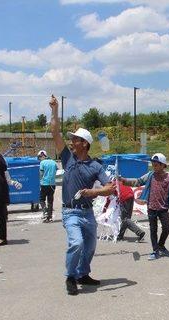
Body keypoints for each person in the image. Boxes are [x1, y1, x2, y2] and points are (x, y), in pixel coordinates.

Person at [49, 95, 116, 295]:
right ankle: (71, 277)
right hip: (71, 212)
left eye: (75, 139)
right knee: (77, 243)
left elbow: (110, 187)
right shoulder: (67, 158)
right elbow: (55, 132)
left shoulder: (96, 166)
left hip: (87, 213)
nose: (71, 142)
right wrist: (54, 110)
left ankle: (83, 274)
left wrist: (92, 192)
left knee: (90, 246)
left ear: (84, 144)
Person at [120, 153, 169, 261]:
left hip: (164, 208)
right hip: (152, 207)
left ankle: (161, 245)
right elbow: (137, 182)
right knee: (153, 230)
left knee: (166, 228)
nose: (154, 166)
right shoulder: (150, 175)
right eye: (153, 164)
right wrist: (124, 180)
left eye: (156, 164)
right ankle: (155, 250)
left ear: (163, 165)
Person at [37, 150, 58, 223]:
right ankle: (50, 217)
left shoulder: (42, 163)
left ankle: (45, 212)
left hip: (44, 184)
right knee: (50, 200)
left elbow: (41, 173)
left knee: (41, 199)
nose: (39, 159)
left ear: (42, 156)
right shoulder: (54, 162)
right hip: (52, 184)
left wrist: (40, 181)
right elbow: (56, 171)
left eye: (39, 157)